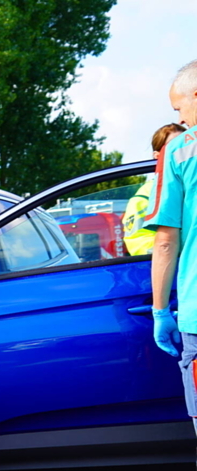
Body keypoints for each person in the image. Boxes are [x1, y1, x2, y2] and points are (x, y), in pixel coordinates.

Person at [148, 59, 197, 433]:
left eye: (179, 108)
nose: (179, 118)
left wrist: (160, 310)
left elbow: (165, 241)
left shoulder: (179, 150)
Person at [122, 123, 186, 255]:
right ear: (157, 156)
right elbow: (140, 243)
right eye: (174, 147)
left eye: (186, 145)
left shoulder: (191, 186)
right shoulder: (143, 198)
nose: (182, 151)